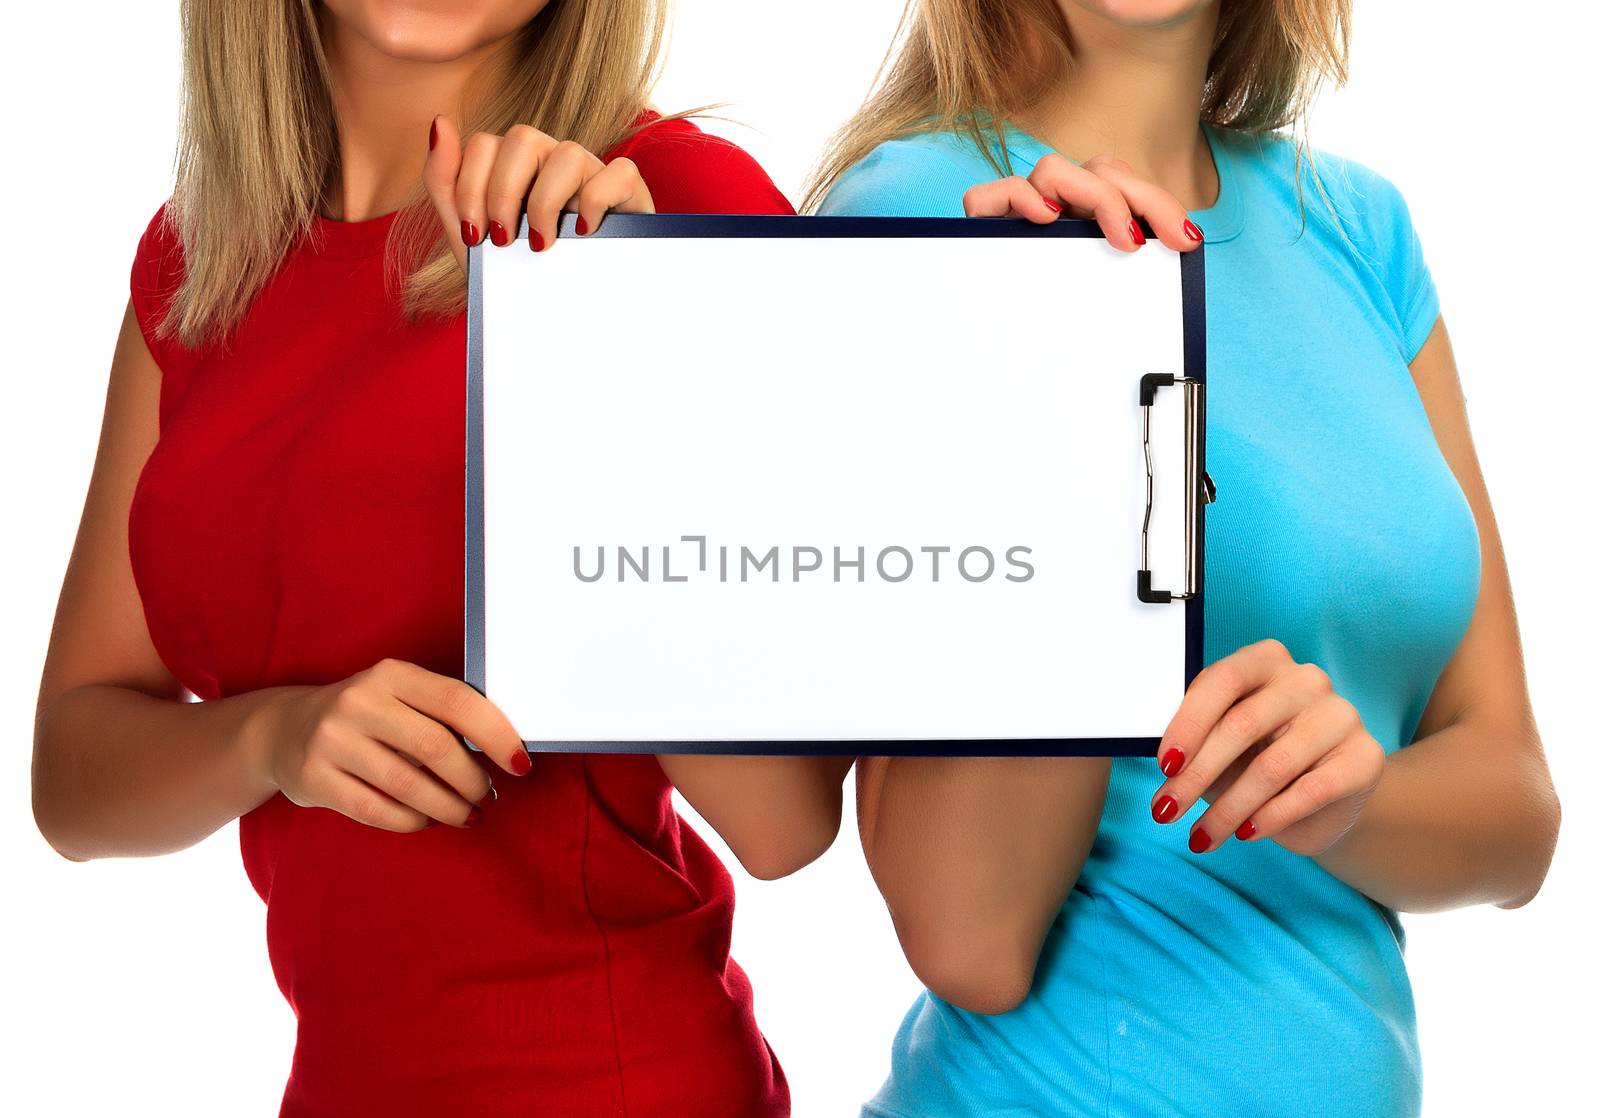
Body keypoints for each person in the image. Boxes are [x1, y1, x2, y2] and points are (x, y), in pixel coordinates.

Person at [32, 2, 850, 1115]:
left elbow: (783, 818)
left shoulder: (670, 197)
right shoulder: (199, 255)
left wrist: (615, 330)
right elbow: (73, 774)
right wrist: (276, 734)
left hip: (616, 1081)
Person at [811, 1, 1561, 1114]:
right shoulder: (923, 209)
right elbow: (969, 933)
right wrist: (1070, 380)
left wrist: (1346, 803)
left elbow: (1516, 811)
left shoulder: (1357, 227)